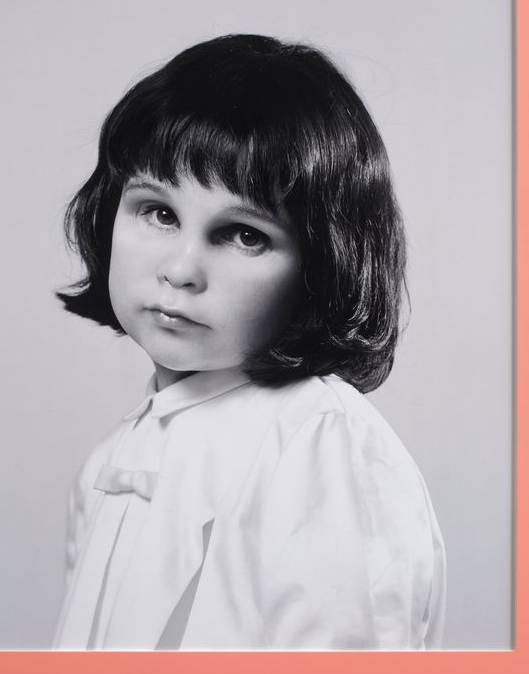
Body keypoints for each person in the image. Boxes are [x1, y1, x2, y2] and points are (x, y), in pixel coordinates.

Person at [52, 34, 446, 651]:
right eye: (158, 212)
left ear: (320, 263)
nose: (181, 270)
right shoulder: (111, 461)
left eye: (242, 234)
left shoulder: (320, 446)